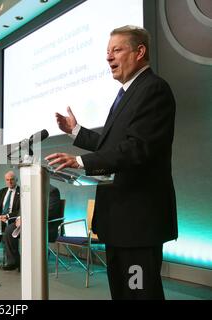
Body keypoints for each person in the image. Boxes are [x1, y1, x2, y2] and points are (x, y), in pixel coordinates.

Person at [45, 26, 177, 300]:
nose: (109, 58)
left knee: (139, 294)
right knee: (124, 294)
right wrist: (76, 131)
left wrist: (80, 161)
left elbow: (137, 149)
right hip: (119, 221)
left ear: (140, 52)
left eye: (116, 50)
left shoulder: (153, 89)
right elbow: (113, 144)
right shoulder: (128, 93)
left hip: (138, 222)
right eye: (107, 52)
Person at [0, 185, 61, 271]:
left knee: (28, 231)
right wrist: (19, 218)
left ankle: (29, 263)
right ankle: (13, 262)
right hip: (27, 222)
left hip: (44, 224)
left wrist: (28, 219)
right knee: (9, 229)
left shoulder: (52, 191)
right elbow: (23, 206)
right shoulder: (30, 188)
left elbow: (49, 211)